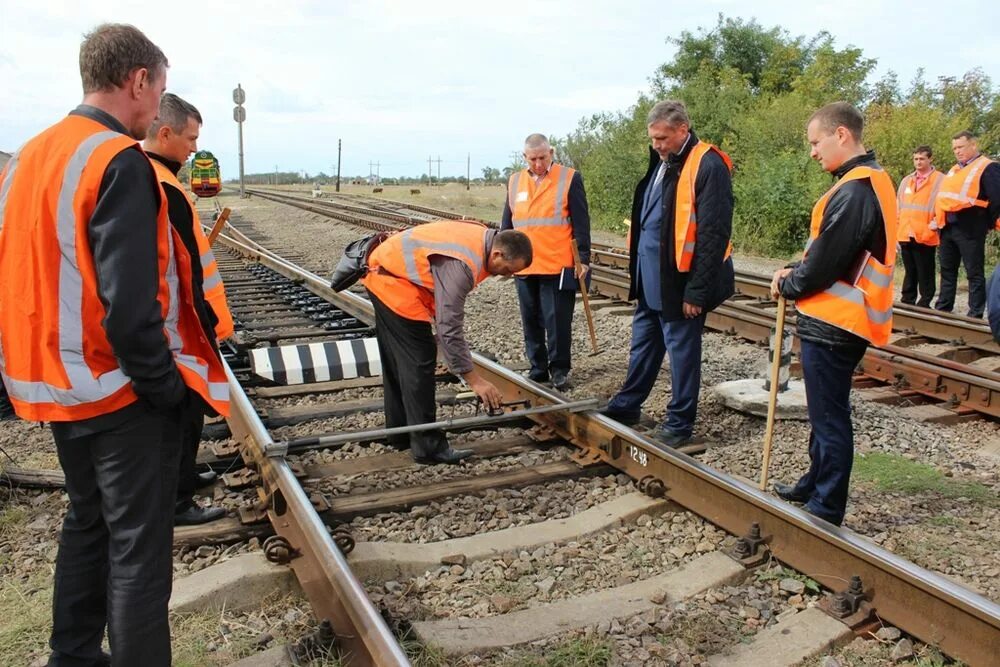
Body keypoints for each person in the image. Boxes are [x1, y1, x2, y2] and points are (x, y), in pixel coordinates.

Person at [0, 24, 229, 666]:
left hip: (52, 382)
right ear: (137, 82)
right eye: (158, 89)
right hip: (115, 387)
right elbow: (131, 306)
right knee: (138, 550)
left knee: (88, 522)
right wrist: (161, 390)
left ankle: (72, 656)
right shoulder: (117, 161)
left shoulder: (28, 156)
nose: (159, 106)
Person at [770, 102, 897, 526]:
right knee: (824, 411)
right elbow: (831, 252)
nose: (812, 152)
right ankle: (814, 481)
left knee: (830, 417)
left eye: (815, 142)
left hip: (836, 321)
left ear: (841, 135)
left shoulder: (856, 190)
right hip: (841, 318)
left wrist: (791, 282)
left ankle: (827, 506)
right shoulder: (869, 182)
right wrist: (796, 268)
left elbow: (825, 263)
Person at [601, 100, 734, 448]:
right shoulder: (664, 161)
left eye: (662, 138)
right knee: (643, 343)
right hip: (650, 277)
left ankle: (680, 422)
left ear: (682, 130)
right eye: (653, 138)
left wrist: (697, 291)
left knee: (682, 353)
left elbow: (714, 235)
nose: (657, 145)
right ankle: (628, 404)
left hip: (679, 281)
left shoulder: (707, 164)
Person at [361, 222, 532, 464]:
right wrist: (474, 380)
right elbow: (449, 326)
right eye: (507, 270)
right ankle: (427, 447)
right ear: (497, 253)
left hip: (385, 272)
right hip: (393, 284)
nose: (508, 276)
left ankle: (399, 433)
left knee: (398, 360)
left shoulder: (482, 239)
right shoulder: (463, 265)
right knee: (419, 363)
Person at [142, 93, 234, 525]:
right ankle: (176, 500)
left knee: (190, 409)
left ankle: (185, 475)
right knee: (181, 410)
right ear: (165, 133)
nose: (195, 148)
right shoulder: (159, 184)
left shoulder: (160, 176)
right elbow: (180, 270)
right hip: (180, 327)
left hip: (182, 323)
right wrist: (204, 322)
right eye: (190, 138)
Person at [501, 133, 591, 390]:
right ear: (524, 157)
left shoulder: (569, 178)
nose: (538, 164)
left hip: (557, 264)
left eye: (542, 157)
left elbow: (581, 223)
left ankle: (559, 369)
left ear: (551, 152)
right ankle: (538, 368)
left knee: (557, 322)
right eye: (533, 159)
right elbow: (507, 225)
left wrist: (582, 258)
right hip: (523, 266)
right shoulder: (515, 182)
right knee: (530, 319)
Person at [934, 130, 1000, 318]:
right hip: (948, 227)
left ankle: (975, 312)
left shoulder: (987, 167)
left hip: (971, 227)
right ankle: (944, 308)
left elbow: (997, 199)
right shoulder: (955, 169)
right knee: (947, 270)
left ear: (973, 145)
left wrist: (986, 223)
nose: (957, 151)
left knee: (974, 272)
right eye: (955, 148)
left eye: (961, 147)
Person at [896, 146, 944, 307]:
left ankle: (924, 302)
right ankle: (907, 300)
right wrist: (896, 229)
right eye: (916, 159)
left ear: (930, 159)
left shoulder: (940, 180)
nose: (918, 162)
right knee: (910, 270)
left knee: (925, 271)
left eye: (922, 159)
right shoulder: (906, 181)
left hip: (925, 232)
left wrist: (937, 222)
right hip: (906, 231)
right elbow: (899, 206)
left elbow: (944, 204)